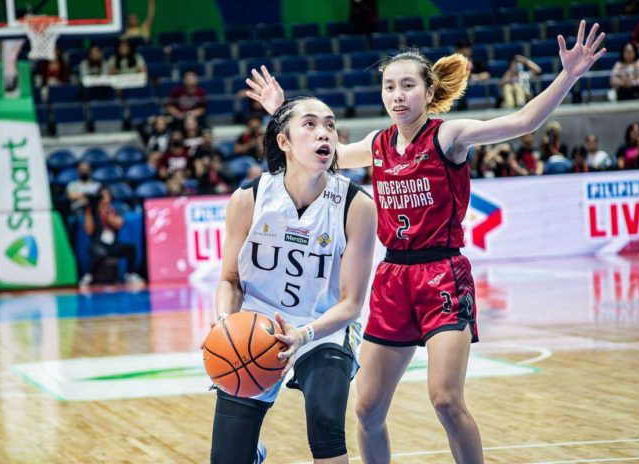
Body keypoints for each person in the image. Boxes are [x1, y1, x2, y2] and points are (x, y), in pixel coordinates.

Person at [247, 20, 605, 464]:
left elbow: (523, 120)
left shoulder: (448, 137)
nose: (397, 96)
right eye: (389, 87)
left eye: (407, 86)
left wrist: (568, 74)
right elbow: (311, 148)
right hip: (393, 276)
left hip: (443, 275)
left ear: (428, 92)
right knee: (367, 407)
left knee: (445, 400)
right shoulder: (377, 145)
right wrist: (281, 109)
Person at [206, 96, 377, 464]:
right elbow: (230, 280)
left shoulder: (356, 205)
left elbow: (351, 303)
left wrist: (303, 335)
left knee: (326, 423)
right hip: (257, 326)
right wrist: (224, 323)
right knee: (227, 459)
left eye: (330, 125)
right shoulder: (248, 199)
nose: (325, 134)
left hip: (322, 327)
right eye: (311, 125)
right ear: (284, 142)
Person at [79, 186, 145, 287]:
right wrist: (89, 210)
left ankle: (130, 274)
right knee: (100, 252)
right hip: (97, 244)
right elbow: (89, 230)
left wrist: (106, 214)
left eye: (106, 194)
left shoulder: (115, 210)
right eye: (102, 195)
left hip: (113, 244)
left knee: (131, 248)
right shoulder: (92, 211)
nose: (104, 197)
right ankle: (90, 275)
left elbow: (119, 224)